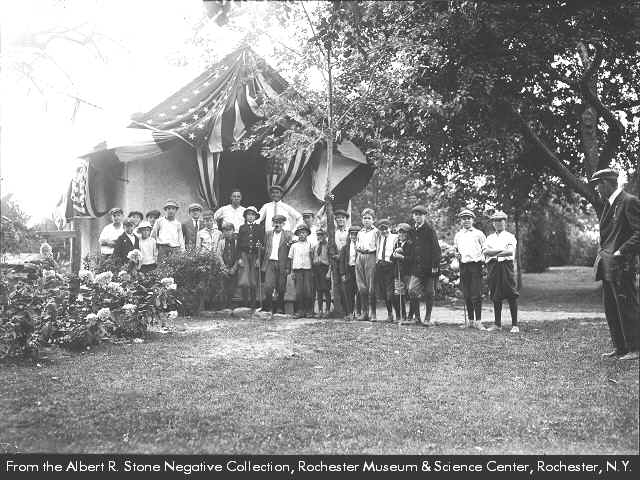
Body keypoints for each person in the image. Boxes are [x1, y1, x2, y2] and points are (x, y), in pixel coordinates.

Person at [589, 168, 640, 361]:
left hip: (622, 264)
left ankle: (635, 348)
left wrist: (621, 251)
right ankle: (620, 347)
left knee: (627, 305)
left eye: (598, 185)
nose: (597, 190)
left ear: (608, 183)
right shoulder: (609, 204)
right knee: (611, 307)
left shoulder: (629, 201)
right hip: (608, 265)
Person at [484, 211, 520, 333]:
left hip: (506, 266)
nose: (498, 223)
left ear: (505, 222)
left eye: (501, 220)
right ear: (493, 223)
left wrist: (494, 252)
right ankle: (497, 324)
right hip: (493, 267)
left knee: (511, 294)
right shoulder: (489, 237)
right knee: (495, 294)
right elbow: (486, 252)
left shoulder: (510, 236)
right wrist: (500, 251)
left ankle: (515, 324)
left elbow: (509, 252)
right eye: (496, 221)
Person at [453, 209, 486, 330]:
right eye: (464, 218)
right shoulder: (458, 235)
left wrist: (481, 261)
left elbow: (485, 250)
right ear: (461, 220)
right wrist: (456, 255)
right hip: (463, 266)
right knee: (466, 293)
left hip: (476, 265)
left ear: (473, 220)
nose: (466, 220)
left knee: (476, 294)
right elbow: (456, 249)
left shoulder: (479, 234)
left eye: (468, 218)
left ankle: (478, 321)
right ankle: (470, 321)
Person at [410, 205, 441, 326]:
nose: (417, 217)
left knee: (429, 292)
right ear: (413, 216)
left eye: (420, 214)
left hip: (429, 268)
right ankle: (417, 318)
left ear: (424, 216)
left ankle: (427, 318)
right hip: (416, 268)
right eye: (415, 214)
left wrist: (435, 266)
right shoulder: (412, 230)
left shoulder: (430, 230)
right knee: (412, 290)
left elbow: (436, 250)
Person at [261, 214, 293, 314]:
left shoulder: (288, 235)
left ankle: (280, 307)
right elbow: (264, 248)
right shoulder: (268, 234)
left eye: (279, 223)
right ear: (273, 223)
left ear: (283, 224)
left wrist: (288, 266)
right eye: (275, 222)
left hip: (282, 263)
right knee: (268, 286)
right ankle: (269, 308)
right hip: (270, 262)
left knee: (281, 287)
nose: (277, 224)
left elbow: (290, 252)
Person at [237, 206, 264, 308]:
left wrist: (258, 258)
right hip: (244, 255)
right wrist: (239, 258)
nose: (251, 217)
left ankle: (253, 303)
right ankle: (245, 303)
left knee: (253, 280)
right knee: (244, 280)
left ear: (256, 217)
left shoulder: (259, 228)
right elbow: (238, 244)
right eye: (249, 214)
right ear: (245, 216)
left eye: (253, 215)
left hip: (254, 256)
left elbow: (261, 244)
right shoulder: (242, 228)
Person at [355, 208, 379, 321]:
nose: (366, 220)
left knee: (371, 287)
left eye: (369, 218)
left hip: (371, 256)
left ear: (373, 220)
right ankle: (364, 312)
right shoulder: (360, 232)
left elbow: (378, 247)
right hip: (360, 257)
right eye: (364, 218)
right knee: (362, 287)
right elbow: (357, 246)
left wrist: (377, 260)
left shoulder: (376, 232)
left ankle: (373, 312)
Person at [288, 224, 314, 318]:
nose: (302, 235)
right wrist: (292, 271)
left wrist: (312, 271)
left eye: (304, 233)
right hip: (297, 270)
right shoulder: (294, 246)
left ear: (307, 234)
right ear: (297, 234)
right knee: (299, 291)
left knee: (307, 290)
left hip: (307, 269)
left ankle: (308, 310)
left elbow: (312, 257)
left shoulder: (310, 245)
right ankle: (300, 310)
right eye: (300, 233)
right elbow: (291, 258)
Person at [375, 218, 398, 322]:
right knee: (383, 292)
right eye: (382, 229)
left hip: (390, 266)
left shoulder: (395, 238)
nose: (384, 231)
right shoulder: (379, 238)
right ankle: (390, 315)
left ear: (390, 228)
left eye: (386, 229)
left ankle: (398, 314)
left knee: (391, 292)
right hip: (380, 265)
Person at [391, 223, 414, 324]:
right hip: (398, 272)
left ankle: (411, 316)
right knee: (398, 294)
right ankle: (401, 315)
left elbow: (413, 260)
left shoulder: (411, 244)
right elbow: (392, 258)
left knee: (411, 293)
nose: (400, 234)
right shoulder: (396, 244)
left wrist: (402, 256)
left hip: (408, 272)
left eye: (403, 232)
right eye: (399, 232)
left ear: (407, 233)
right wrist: (395, 254)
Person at [339, 225, 362, 320]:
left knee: (360, 291)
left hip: (359, 270)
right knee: (348, 292)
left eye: (356, 235)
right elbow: (341, 261)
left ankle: (359, 312)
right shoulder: (345, 248)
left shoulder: (361, 246)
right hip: (349, 270)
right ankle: (349, 312)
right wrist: (343, 273)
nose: (354, 237)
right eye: (352, 234)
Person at [216, 222, 240, 309]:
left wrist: (234, 268)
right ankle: (223, 304)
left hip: (234, 268)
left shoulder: (237, 242)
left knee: (232, 287)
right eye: (225, 230)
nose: (227, 232)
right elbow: (219, 255)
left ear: (233, 231)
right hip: (224, 268)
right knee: (224, 286)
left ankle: (230, 303)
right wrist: (223, 267)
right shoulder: (221, 242)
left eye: (229, 230)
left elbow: (238, 256)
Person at [312, 227, 332, 317]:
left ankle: (327, 310)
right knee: (319, 291)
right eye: (318, 235)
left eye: (321, 235)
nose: (319, 237)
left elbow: (331, 260)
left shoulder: (328, 246)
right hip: (317, 269)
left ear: (325, 236)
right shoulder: (316, 246)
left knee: (326, 290)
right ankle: (320, 310)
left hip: (325, 268)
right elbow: (313, 257)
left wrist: (329, 272)